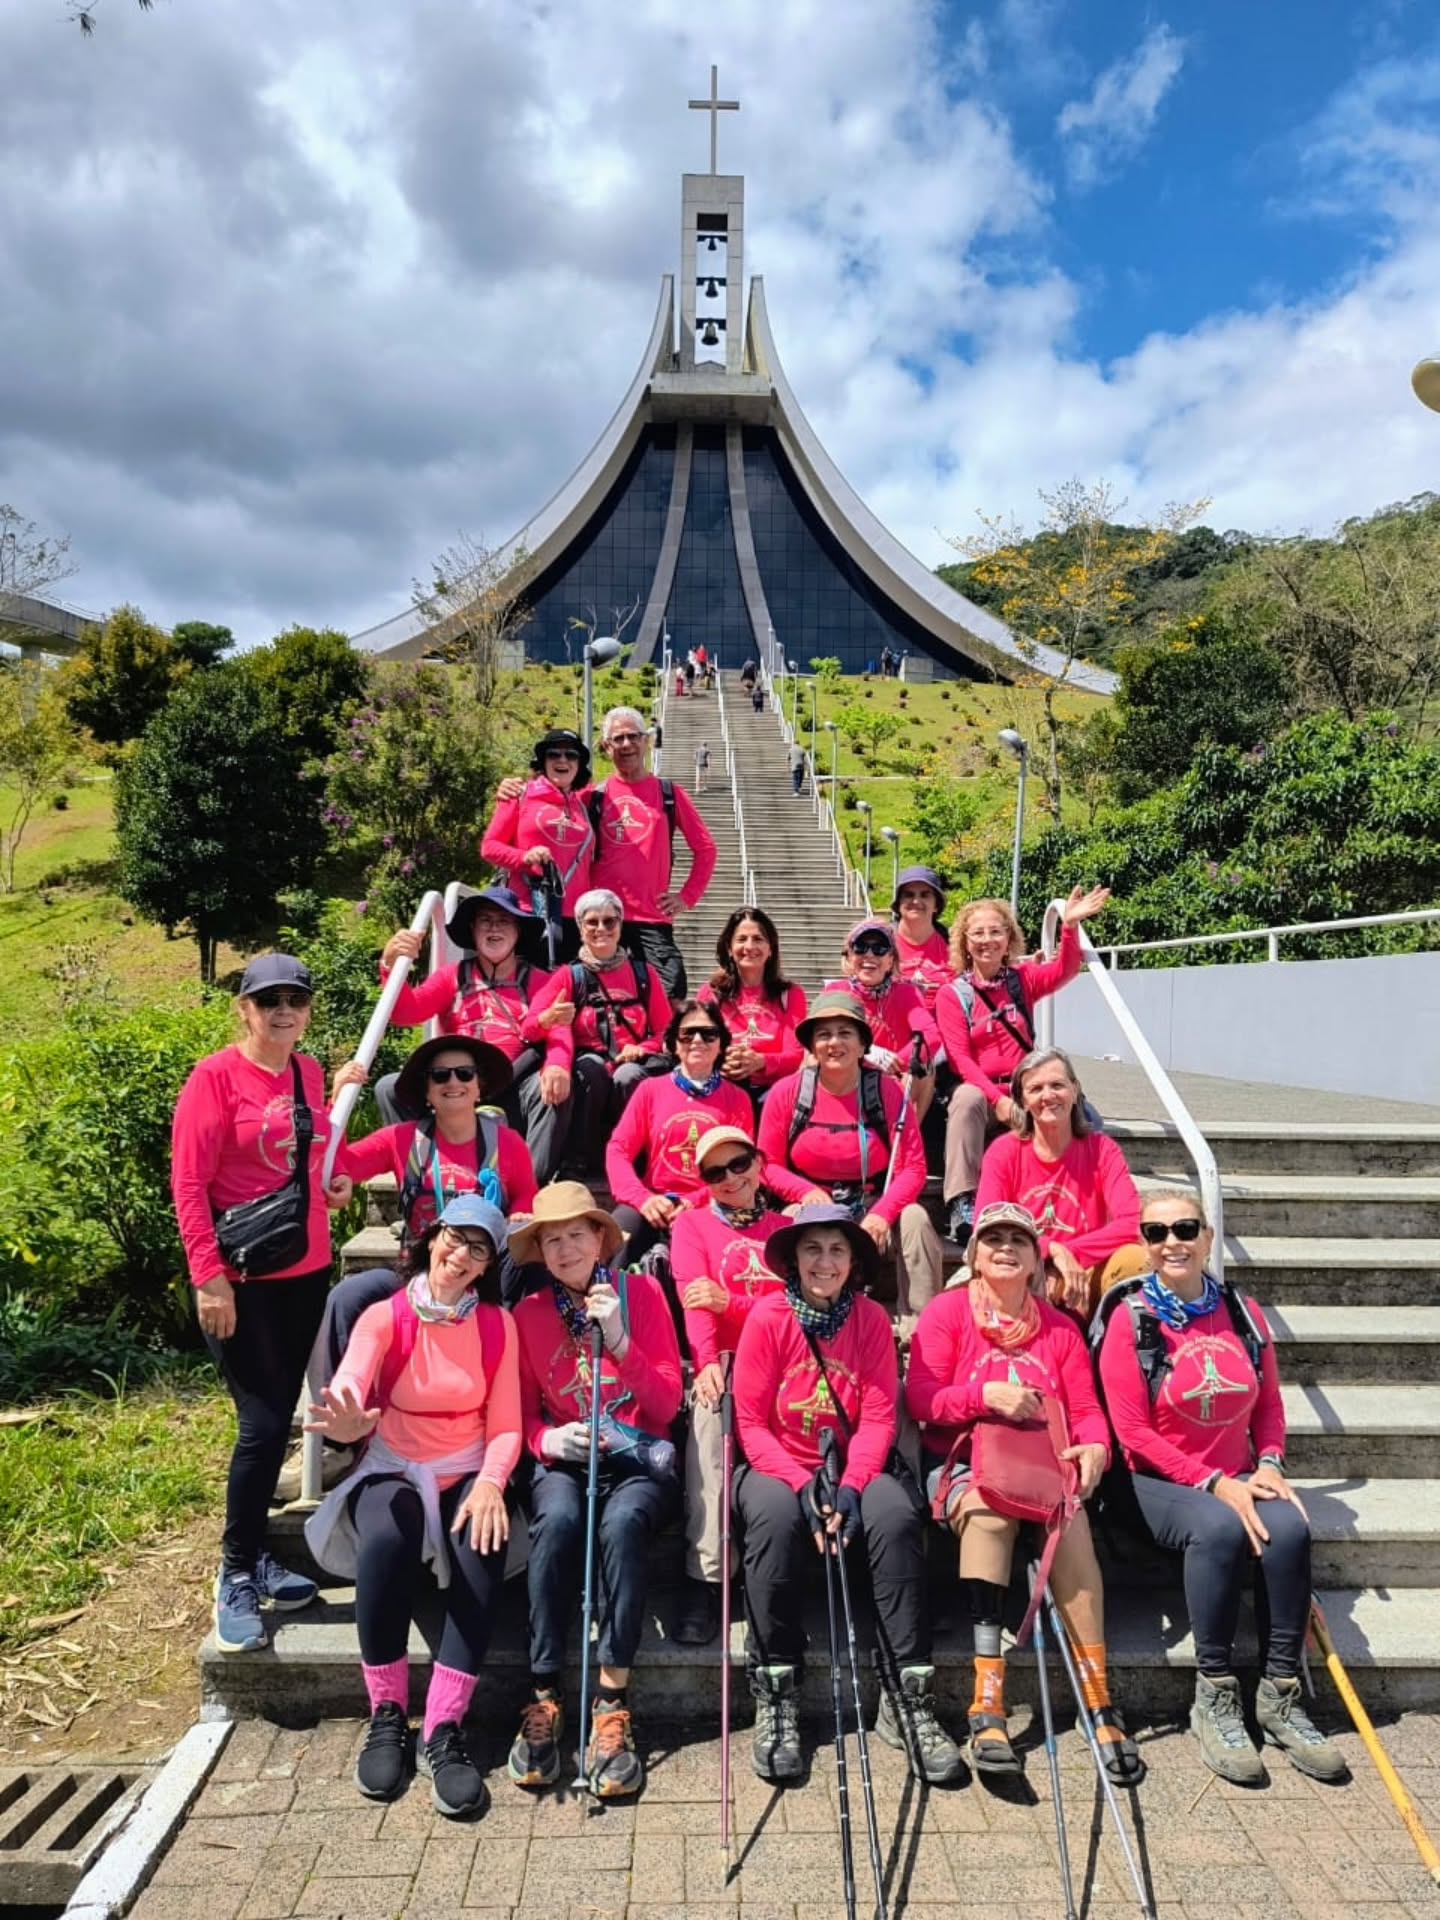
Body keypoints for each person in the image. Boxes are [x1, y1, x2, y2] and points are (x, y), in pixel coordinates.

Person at [1095, 1189, 1346, 1784]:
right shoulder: (1131, 1318)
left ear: (1208, 1237)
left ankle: (1280, 1694)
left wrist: (1271, 1464)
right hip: (1150, 1483)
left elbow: (1270, 1406)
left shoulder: (1242, 1312)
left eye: (1185, 1229)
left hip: (1235, 1476)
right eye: (1156, 1233)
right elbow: (1131, 1432)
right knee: (1217, 1527)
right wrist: (1212, 1483)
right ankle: (1214, 1697)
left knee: (1288, 1527)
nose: (1172, 1242)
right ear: (1144, 1244)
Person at [905, 1202, 1141, 1784]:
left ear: (1037, 1260)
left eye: (1019, 1240)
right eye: (993, 1239)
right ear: (975, 1255)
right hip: (964, 1458)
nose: (1006, 1248)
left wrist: (1095, 1448)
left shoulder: (1060, 1328)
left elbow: (1086, 1409)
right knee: (987, 1514)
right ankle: (988, 1698)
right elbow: (923, 1400)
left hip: (1044, 1462)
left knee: (1072, 1522)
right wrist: (985, 1396)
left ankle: (1098, 1696)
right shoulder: (946, 1313)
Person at [732, 1205, 965, 1785]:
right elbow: (751, 1425)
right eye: (813, 1248)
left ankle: (907, 1691)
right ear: (793, 1259)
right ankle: (777, 1688)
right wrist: (799, 1483)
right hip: (780, 1464)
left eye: (838, 1250)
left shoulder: (870, 1320)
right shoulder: (767, 1318)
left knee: (896, 1515)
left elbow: (880, 1416)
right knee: (773, 1519)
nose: (825, 1261)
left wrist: (854, 1486)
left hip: (853, 1463)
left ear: (853, 1262)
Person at [302, 1197, 519, 1817]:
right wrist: (346, 1417)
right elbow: (352, 1380)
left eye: (478, 1249)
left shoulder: (497, 1326)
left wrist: (491, 1483)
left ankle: (444, 1726)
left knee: (482, 1544)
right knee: (387, 1535)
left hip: (467, 1469)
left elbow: (506, 1424)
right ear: (432, 1238)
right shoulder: (385, 1316)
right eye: (455, 1238)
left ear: (487, 1266)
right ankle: (388, 1713)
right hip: (393, 1464)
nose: (461, 1255)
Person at [170, 953, 352, 1654]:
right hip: (240, 1280)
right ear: (244, 1009)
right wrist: (207, 1278)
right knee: (263, 1423)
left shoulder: (307, 1072)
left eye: (295, 1000)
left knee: (276, 1423)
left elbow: (307, 1157)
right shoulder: (214, 1078)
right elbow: (189, 1184)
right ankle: (237, 1570)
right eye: (269, 1000)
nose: (283, 1011)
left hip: (305, 1271)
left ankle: (258, 1557)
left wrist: (334, 1183)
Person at [507, 1184, 684, 1799]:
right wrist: (547, 1441)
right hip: (568, 1458)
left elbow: (667, 1402)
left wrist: (622, 1340)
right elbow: (521, 1413)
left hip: (637, 1457)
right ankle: (544, 1691)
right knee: (555, 1521)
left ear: (602, 1239)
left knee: (622, 1525)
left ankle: (611, 1699)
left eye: (576, 1235)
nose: (564, 1249)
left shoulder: (644, 1295)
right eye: (551, 1239)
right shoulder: (528, 1314)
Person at [936, 885, 1111, 1248]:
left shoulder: (1023, 980)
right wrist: (997, 1100)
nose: (987, 940)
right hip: (983, 1090)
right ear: (965, 943)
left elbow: (1065, 969)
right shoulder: (953, 995)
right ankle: (962, 1203)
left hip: (1022, 1086)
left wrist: (1069, 927)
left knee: (1070, 1106)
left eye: (995, 931)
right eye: (978, 933)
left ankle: (1079, 1198)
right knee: (966, 1099)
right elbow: (960, 1059)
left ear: (1008, 939)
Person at [668, 1124, 790, 1645]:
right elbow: (696, 1298)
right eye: (715, 1172)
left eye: (739, 1164)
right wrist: (705, 1362)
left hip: (786, 1359)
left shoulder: (787, 1229)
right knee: (707, 1421)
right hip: (726, 1357)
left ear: (759, 1164)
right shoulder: (692, 1226)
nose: (731, 1178)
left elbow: (796, 1309)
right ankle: (708, 1576)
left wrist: (733, 1304)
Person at [757, 990, 943, 1321]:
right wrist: (805, 1192)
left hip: (871, 1202)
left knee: (915, 1218)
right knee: (789, 1220)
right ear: (812, 1046)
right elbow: (767, 1164)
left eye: (845, 1033)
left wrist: (882, 1214)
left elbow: (913, 1168)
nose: (834, 1042)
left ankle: (921, 1326)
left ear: (862, 1045)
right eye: (823, 1034)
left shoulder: (887, 1091)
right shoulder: (787, 1092)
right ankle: (792, 1318)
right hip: (812, 1204)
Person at [370, 888, 572, 1183]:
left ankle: (526, 1186)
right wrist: (389, 966)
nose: (493, 928)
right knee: (389, 1087)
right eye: (485, 921)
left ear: (518, 931)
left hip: (512, 1087)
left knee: (551, 1089)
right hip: (457, 1082)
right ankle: (423, 1180)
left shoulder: (540, 980)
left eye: (503, 921)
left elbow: (559, 1029)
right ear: (473, 930)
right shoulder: (451, 976)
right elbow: (405, 1014)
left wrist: (557, 1065)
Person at [975, 1047, 1147, 1319]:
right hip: (1023, 1271)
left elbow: (1133, 1221)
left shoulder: (1102, 1150)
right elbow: (987, 1225)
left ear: (1075, 1091)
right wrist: (1049, 1253)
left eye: (1057, 1085)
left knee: (1135, 1260)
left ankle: (1115, 1339)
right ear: (1022, 1101)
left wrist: (1069, 1254)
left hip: (1088, 1271)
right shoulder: (1003, 1152)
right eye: (1036, 1089)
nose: (1048, 1096)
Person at [524, 888, 674, 1170]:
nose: (601, 929)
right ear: (581, 928)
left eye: (609, 921)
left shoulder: (645, 974)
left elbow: (667, 1032)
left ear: (620, 925)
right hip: (591, 1064)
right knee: (589, 1070)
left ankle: (634, 1160)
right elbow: (529, 1029)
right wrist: (548, 1020)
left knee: (629, 1076)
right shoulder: (568, 976)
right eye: (592, 922)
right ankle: (579, 1161)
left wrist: (643, 1048)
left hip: (633, 1062)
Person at [603, 999, 757, 1263]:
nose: (697, 1040)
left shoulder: (737, 1098)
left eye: (708, 1034)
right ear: (674, 1043)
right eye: (687, 1034)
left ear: (721, 1044)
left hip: (715, 1202)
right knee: (613, 1242)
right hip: (654, 1203)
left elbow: (744, 1166)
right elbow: (618, 1150)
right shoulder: (650, 1090)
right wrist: (643, 1199)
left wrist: (695, 1201)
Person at [480, 729, 595, 963]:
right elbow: (489, 847)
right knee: (528, 982)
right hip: (528, 911)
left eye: (571, 755)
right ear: (543, 761)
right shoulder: (520, 795)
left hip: (576, 918)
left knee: (566, 985)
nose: (562, 760)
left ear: (579, 764)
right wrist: (525, 858)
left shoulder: (584, 805)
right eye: (554, 754)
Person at [827, 918, 942, 1125]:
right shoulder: (836, 991)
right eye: (861, 947)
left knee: (924, 1068)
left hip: (894, 1079)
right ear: (850, 957)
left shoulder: (907, 993)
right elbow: (819, 1042)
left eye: (879, 948)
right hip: (847, 1075)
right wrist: (864, 1054)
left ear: (890, 960)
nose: (869, 955)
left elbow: (930, 1036)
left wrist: (895, 1062)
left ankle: (905, 1135)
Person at [700, 906, 808, 1115]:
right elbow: (700, 1045)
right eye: (741, 939)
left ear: (771, 949)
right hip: (722, 1086)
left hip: (772, 1093)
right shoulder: (710, 993)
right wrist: (722, 1059)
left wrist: (760, 1062)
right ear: (729, 948)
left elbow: (795, 1055)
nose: (749, 946)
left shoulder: (791, 994)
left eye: (758, 939)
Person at [890, 865, 955, 1013]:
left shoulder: (953, 944)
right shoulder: (882, 943)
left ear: (936, 905)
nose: (916, 901)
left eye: (925, 895)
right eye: (909, 895)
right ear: (899, 904)